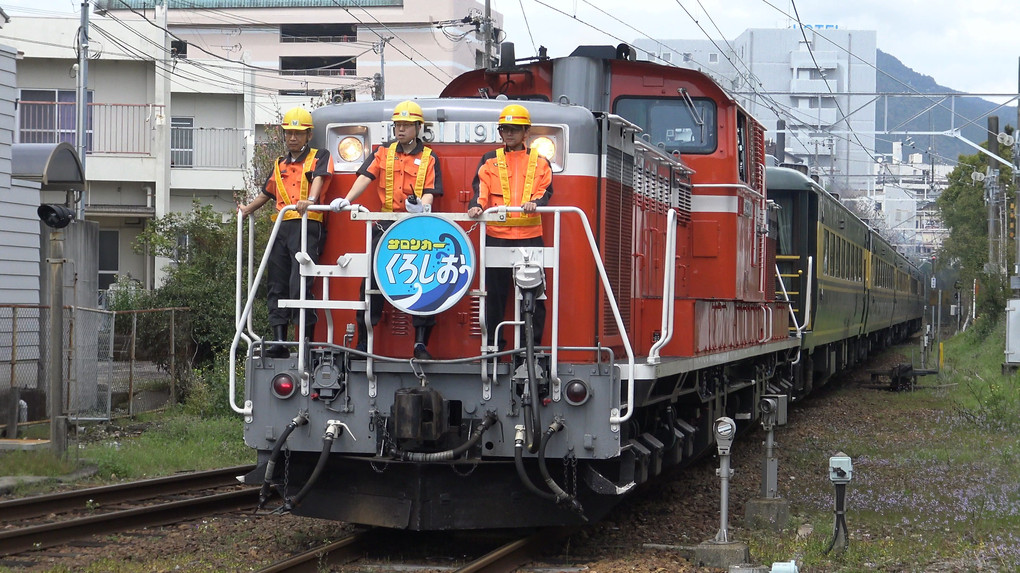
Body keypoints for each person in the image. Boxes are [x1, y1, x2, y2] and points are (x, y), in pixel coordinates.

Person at [330, 100, 443, 359]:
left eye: (405, 125)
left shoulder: (430, 157)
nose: (400, 130)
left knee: (425, 282)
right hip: (386, 226)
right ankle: (363, 342)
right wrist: (348, 199)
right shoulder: (383, 152)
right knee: (371, 282)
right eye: (397, 125)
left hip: (417, 228)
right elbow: (365, 176)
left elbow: (430, 192)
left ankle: (421, 343)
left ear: (418, 127)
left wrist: (422, 209)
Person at [240, 106, 333, 358]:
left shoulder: (319, 156)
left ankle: (305, 341)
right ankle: (280, 341)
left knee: (300, 282)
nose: (293, 137)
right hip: (281, 226)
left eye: (298, 133)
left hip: (307, 223)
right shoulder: (279, 163)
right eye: (289, 133)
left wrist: (310, 200)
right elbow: (266, 193)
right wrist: (247, 209)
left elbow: (319, 179)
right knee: (276, 283)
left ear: (308, 135)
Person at [468, 103, 553, 351]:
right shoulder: (489, 159)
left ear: (526, 132)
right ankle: (494, 347)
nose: (509, 134)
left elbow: (545, 190)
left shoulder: (540, 161)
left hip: (529, 237)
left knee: (535, 296)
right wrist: (477, 206)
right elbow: (481, 189)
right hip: (496, 235)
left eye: (515, 129)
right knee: (493, 296)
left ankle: (532, 348)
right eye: (505, 129)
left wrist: (535, 203)